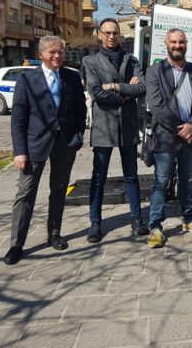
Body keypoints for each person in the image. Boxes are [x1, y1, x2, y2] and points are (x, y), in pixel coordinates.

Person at [3, 36, 87, 265]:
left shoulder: (71, 76)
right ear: (41, 54)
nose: (57, 56)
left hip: (64, 143)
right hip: (34, 145)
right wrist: (19, 151)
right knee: (25, 193)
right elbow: (18, 118)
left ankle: (54, 234)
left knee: (59, 190)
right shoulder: (27, 80)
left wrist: (78, 135)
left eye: (60, 52)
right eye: (52, 52)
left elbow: (80, 109)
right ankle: (16, 244)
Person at [83, 18, 148, 243]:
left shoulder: (131, 60)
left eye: (115, 33)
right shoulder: (90, 61)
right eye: (107, 33)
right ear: (100, 34)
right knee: (98, 177)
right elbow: (96, 93)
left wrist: (114, 86)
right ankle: (95, 223)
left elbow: (142, 88)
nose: (112, 36)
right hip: (104, 127)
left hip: (128, 125)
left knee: (131, 175)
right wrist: (126, 95)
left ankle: (137, 219)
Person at [145, 28, 192, 248]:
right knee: (161, 182)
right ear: (166, 43)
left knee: (188, 181)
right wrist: (181, 129)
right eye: (173, 42)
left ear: (186, 44)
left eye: (181, 42)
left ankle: (189, 219)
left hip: (191, 136)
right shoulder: (154, 71)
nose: (177, 45)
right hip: (166, 137)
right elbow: (157, 106)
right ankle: (155, 226)